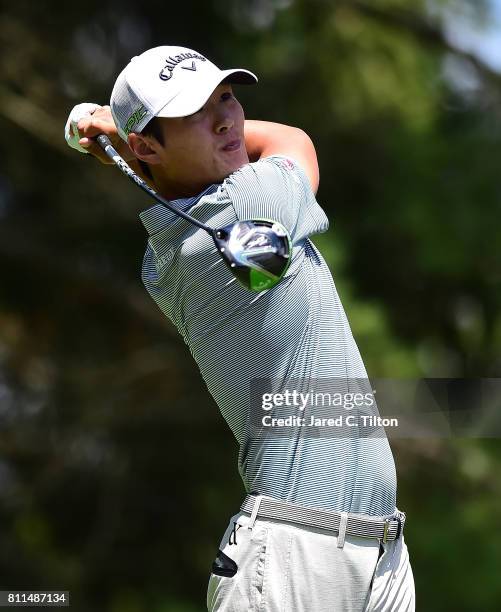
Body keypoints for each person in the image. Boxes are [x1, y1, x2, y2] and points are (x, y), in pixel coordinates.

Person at [65, 45, 415, 611]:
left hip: (376, 547)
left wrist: (123, 140)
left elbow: (219, 152)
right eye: (196, 111)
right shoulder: (241, 216)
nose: (226, 117)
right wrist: (110, 125)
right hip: (297, 553)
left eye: (226, 96)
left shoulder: (176, 245)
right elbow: (292, 141)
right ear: (146, 145)